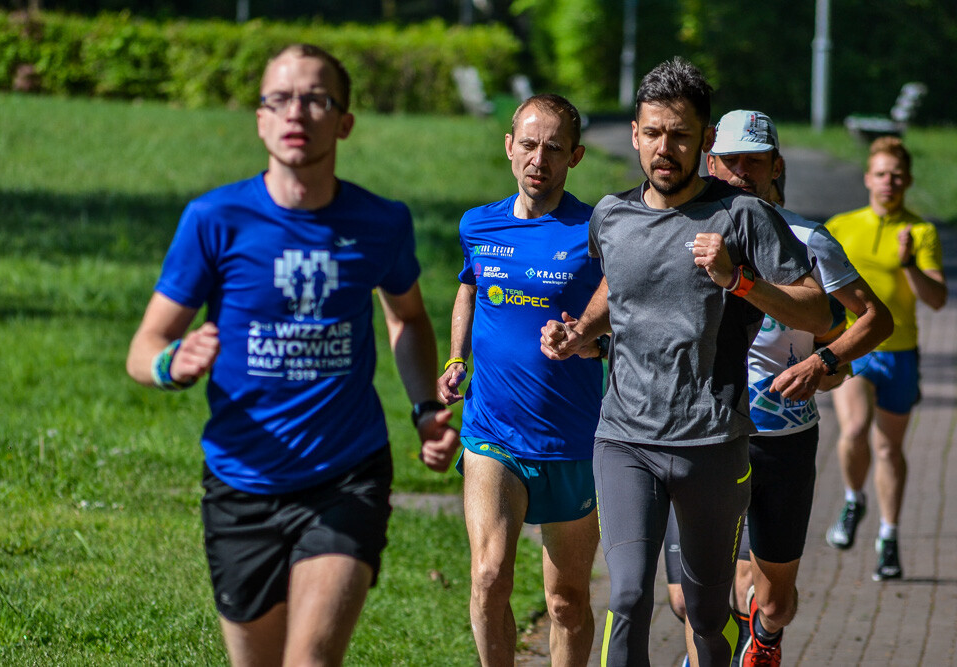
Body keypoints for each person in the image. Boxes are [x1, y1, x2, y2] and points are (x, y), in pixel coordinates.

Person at [125, 44, 459, 667]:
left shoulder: (380, 222)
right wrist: (173, 362)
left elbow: (407, 316)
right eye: (279, 99)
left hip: (347, 474)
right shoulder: (215, 220)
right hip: (240, 480)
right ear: (259, 119)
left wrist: (422, 409)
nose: (296, 112)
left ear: (344, 121)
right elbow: (142, 349)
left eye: (315, 99)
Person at [540, 58, 831, 667]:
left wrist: (741, 281)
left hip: (712, 442)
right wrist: (576, 333)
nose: (664, 148)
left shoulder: (743, 217)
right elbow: (619, 287)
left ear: (703, 142)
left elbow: (818, 313)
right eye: (652, 133)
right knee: (626, 595)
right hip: (623, 438)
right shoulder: (611, 216)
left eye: (679, 134)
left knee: (703, 610)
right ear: (636, 136)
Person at [662, 109, 894, 667]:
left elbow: (872, 320)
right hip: (702, 434)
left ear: (775, 167)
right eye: (731, 160)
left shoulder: (809, 238)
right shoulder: (678, 231)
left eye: (754, 161)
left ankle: (764, 635)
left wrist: (825, 362)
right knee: (682, 598)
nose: (741, 172)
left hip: (782, 437)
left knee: (775, 600)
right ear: (710, 162)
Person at [437, 94, 605, 667]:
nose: (539, 159)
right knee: (488, 577)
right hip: (492, 432)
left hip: (573, 440)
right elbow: (469, 285)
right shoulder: (477, 224)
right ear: (509, 148)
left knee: (566, 602)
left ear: (575, 157)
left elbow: (628, 317)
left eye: (554, 148)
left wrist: (590, 342)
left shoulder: (596, 232)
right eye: (529, 145)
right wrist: (456, 358)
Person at [824, 136, 947, 581]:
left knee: (889, 448)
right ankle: (854, 499)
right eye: (880, 173)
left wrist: (910, 264)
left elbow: (936, 300)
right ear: (867, 179)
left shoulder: (920, 231)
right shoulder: (840, 226)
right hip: (855, 349)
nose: (888, 182)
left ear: (908, 181)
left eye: (896, 175)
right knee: (855, 429)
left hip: (900, 355)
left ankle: (888, 536)